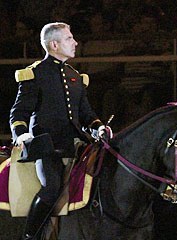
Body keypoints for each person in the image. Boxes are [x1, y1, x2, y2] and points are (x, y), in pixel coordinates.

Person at [9, 22, 111, 239]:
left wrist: (99, 127)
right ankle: (31, 235)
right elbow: (18, 114)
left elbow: (86, 115)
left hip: (76, 144)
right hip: (48, 147)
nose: (75, 42)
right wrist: (24, 135)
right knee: (52, 186)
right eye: (69, 39)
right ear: (54, 44)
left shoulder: (75, 76)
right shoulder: (34, 74)